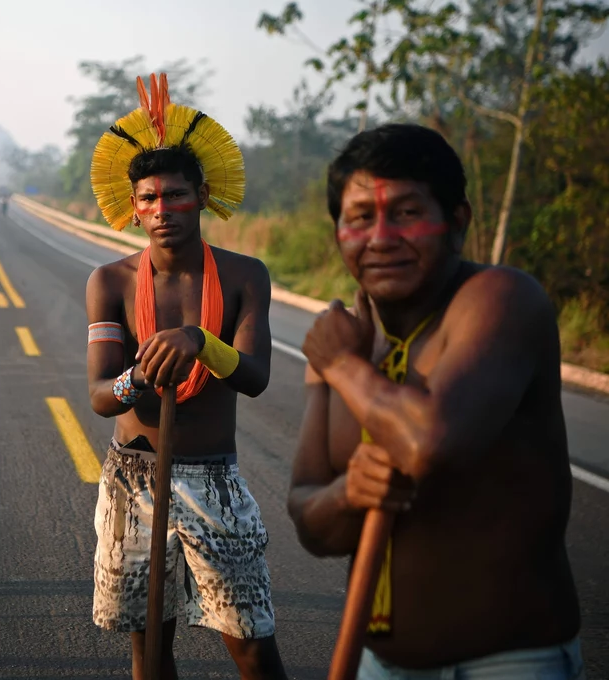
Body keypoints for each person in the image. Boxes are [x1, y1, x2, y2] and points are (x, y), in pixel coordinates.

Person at [290, 124, 583, 679]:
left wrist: (344, 368)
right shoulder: (344, 339)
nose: (380, 238)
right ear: (337, 232)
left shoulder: (500, 301)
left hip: (510, 662)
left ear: (458, 222)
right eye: (359, 218)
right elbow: (310, 522)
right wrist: (349, 493)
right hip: (380, 664)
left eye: (405, 213)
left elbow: (431, 442)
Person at [86, 74, 287, 680]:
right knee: (150, 648)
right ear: (132, 207)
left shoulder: (246, 275)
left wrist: (201, 342)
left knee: (253, 646)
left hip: (213, 480)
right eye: (147, 199)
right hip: (133, 480)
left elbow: (253, 377)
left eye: (175, 196)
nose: (161, 210)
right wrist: (138, 379)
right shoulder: (112, 282)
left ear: (202, 196)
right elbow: (100, 395)